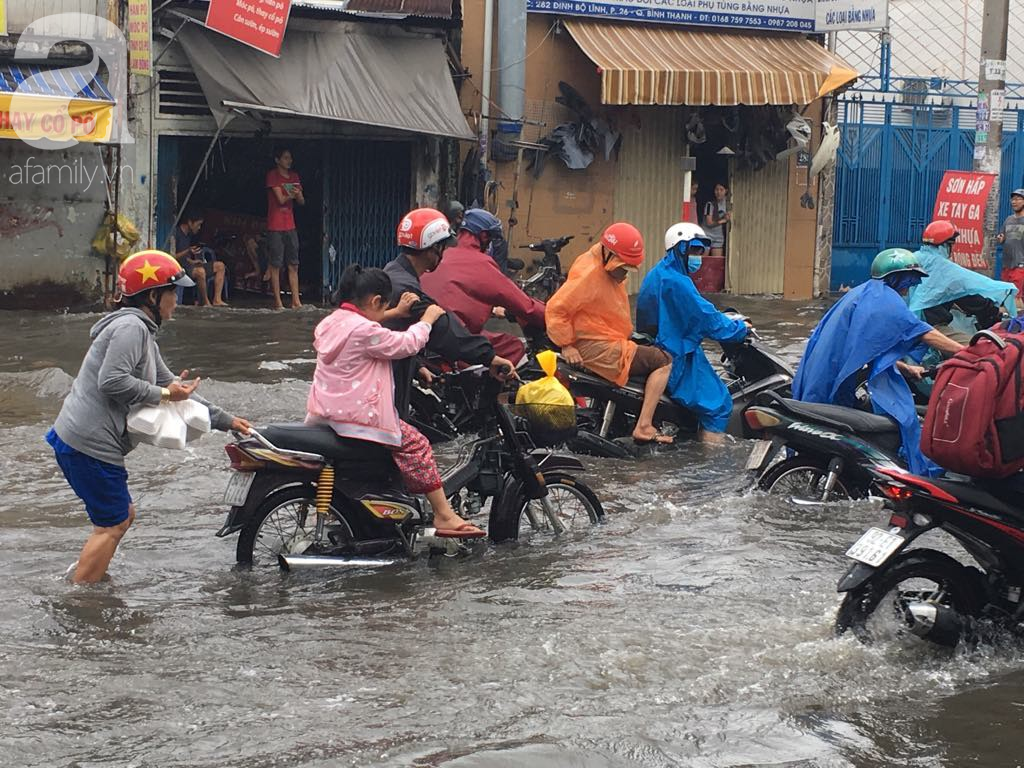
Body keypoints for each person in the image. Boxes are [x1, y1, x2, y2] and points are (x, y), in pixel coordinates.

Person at [46, 250, 252, 584]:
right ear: (153, 296)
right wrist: (167, 394)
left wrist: (225, 420)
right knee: (112, 523)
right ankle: (81, 599)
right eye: (173, 292)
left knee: (120, 517)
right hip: (90, 444)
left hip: (80, 440)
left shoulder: (139, 330)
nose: (177, 300)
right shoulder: (131, 329)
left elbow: (169, 383)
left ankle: (89, 578)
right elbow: (113, 381)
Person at [306, 265, 485, 538]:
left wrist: (396, 313)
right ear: (375, 301)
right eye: (383, 307)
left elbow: (366, 325)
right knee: (418, 444)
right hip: (357, 420)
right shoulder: (365, 332)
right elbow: (406, 344)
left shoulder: (331, 323)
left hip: (325, 416)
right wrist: (427, 318)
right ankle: (444, 514)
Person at [792, 248, 964, 475]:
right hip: (829, 380)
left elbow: (866, 348)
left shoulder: (862, 293)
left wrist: (904, 367)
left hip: (822, 375)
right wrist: (969, 351)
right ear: (895, 278)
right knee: (906, 419)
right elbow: (920, 331)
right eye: (907, 282)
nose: (907, 290)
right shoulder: (883, 298)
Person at [546, 222, 674, 445]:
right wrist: (567, 344)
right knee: (663, 361)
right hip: (598, 346)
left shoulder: (598, 263)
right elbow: (557, 308)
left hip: (607, 337)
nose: (624, 273)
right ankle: (644, 425)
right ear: (609, 254)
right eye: (622, 267)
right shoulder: (590, 274)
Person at [383, 207, 517, 417]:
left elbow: (392, 334)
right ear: (433, 248)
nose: (444, 253)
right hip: (382, 397)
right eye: (443, 247)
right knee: (419, 449)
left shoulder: (393, 272)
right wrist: (489, 357)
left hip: (388, 379)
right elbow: (444, 330)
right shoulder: (407, 290)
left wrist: (416, 366)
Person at [636, 222, 748, 443]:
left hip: (660, 346)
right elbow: (708, 319)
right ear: (680, 249)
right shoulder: (677, 282)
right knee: (718, 406)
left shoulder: (661, 272)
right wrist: (740, 329)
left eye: (700, 251)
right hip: (676, 354)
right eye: (694, 250)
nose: (698, 256)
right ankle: (712, 471)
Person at [420, 208, 546, 364]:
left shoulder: (443, 254)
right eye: (491, 239)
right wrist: (553, 316)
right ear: (484, 236)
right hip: (456, 338)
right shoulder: (480, 263)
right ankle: (493, 388)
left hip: (430, 334)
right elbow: (524, 305)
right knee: (513, 346)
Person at [909, 219, 1017, 344]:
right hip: (930, 328)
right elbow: (968, 296)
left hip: (906, 324)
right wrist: (994, 311)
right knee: (976, 351)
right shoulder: (944, 268)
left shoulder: (914, 258)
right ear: (947, 245)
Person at [266, 146, 305, 310]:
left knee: (293, 264)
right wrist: (292, 194)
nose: (289, 161)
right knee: (276, 264)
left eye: (290, 158)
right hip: (275, 225)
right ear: (278, 160)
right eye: (285, 158)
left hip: (290, 225)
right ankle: (278, 302)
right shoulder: (272, 176)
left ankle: (296, 301)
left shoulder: (294, 177)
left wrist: (298, 195)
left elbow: (302, 202)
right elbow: (281, 199)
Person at [172, 209, 227, 306]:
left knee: (220, 266)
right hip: (180, 268)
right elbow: (171, 256)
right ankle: (205, 302)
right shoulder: (176, 234)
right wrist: (188, 251)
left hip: (189, 266)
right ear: (190, 222)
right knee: (200, 272)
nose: (199, 227)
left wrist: (193, 261)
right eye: (198, 224)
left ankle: (217, 299)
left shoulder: (189, 235)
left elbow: (185, 258)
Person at [998, 188, 1024, 303]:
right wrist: (1001, 239)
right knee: (1006, 296)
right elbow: (1003, 237)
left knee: (1016, 297)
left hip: (1020, 265)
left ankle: (1017, 320)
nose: (1014, 202)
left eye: (1018, 199)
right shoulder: (1008, 219)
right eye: (1013, 199)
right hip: (1006, 265)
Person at [703, 183, 730, 260]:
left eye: (721, 190)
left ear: (726, 191)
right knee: (703, 260)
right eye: (716, 190)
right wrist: (723, 220)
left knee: (717, 261)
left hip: (718, 237)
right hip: (707, 236)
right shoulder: (710, 205)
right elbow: (709, 222)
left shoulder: (728, 204)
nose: (718, 192)